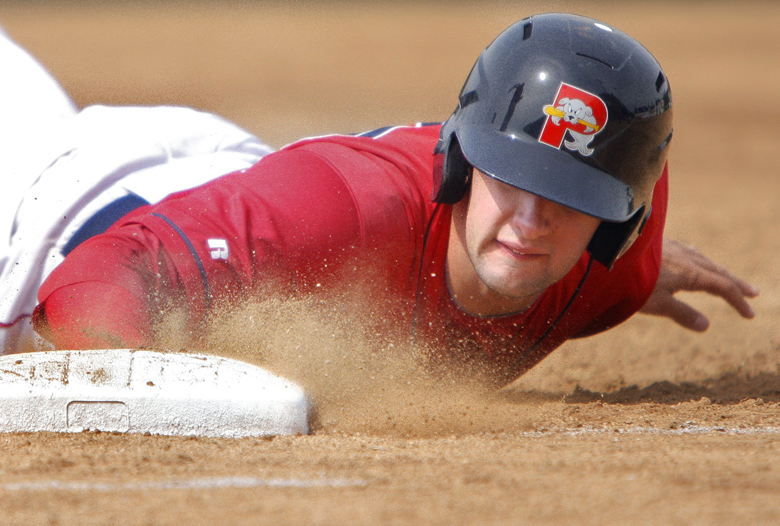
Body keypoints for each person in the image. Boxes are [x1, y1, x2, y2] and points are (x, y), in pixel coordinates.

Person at [6, 14, 758, 387]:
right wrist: (138, 387)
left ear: (622, 224)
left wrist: (631, 273)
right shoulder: (345, 206)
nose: (531, 224)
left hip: (214, 180)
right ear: (463, 159)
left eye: (570, 197)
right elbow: (92, 274)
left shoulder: (612, 271)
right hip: (43, 209)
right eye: (512, 178)